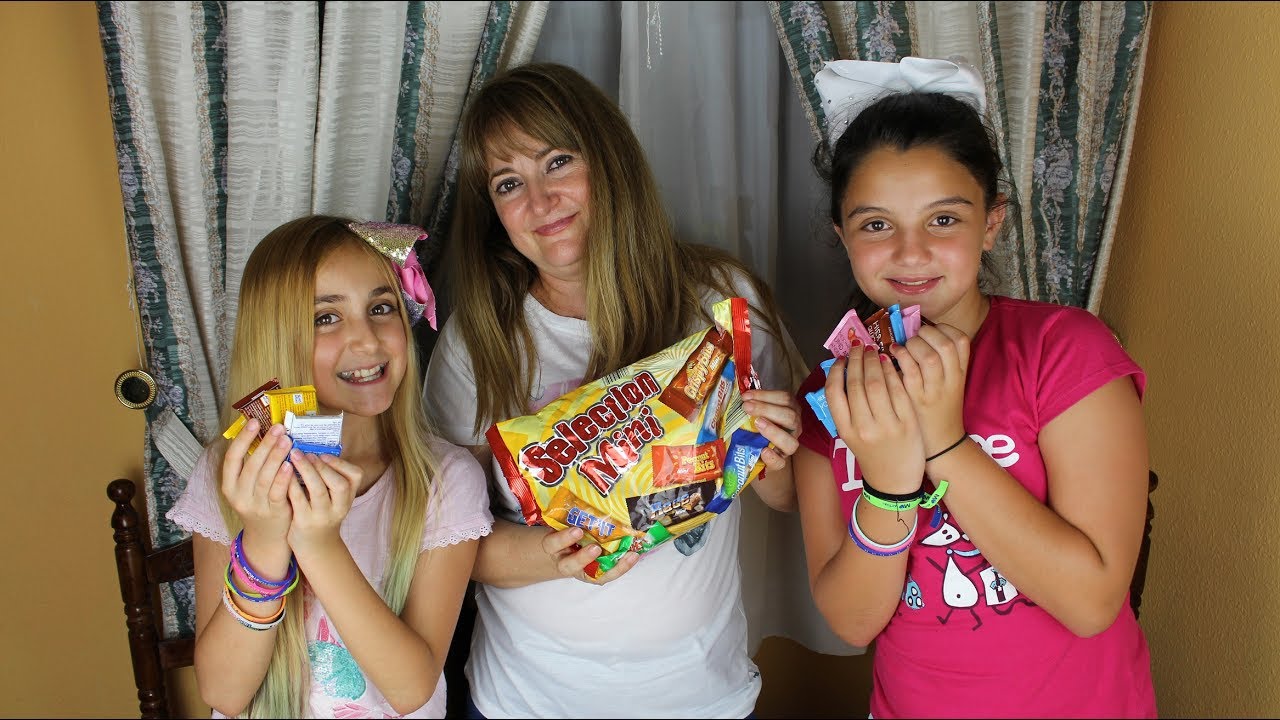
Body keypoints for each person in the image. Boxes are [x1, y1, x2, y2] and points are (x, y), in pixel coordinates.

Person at [423, 63, 805, 718]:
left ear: (610, 161)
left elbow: (793, 494)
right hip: (525, 699)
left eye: (558, 161)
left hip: (701, 695)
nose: (540, 201)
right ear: (493, 214)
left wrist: (776, 461)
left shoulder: (720, 298)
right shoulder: (477, 341)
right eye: (509, 182)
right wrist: (551, 555)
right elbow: (444, 547)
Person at [793, 57, 1157, 718]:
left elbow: (1091, 602)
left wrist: (943, 441)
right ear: (841, 236)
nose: (909, 252)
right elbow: (852, 621)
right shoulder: (834, 395)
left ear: (992, 222)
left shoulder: (1065, 352)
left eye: (943, 220)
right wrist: (887, 485)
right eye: (876, 224)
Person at [167, 216, 493, 718]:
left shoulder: (444, 480)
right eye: (326, 317)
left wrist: (318, 544)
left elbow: (411, 688)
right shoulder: (227, 472)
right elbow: (222, 692)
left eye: (381, 307)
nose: (367, 340)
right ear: (275, 335)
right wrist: (263, 539)